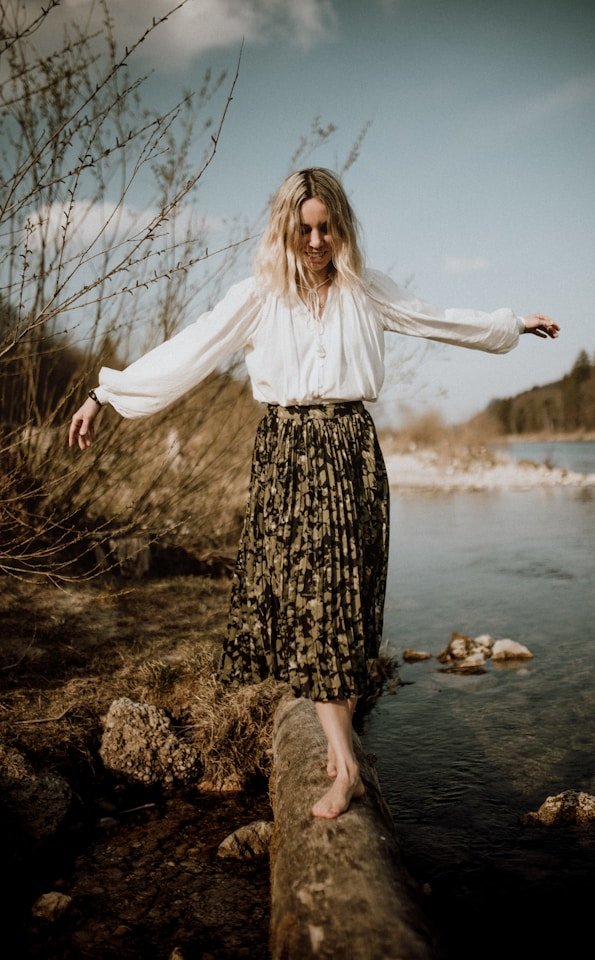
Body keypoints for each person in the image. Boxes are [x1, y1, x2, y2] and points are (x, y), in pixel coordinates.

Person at [69, 167, 559, 820]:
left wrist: (513, 324)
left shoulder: (364, 291)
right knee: (314, 606)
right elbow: (188, 352)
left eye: (328, 228)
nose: (317, 241)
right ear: (285, 229)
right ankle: (348, 764)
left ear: (342, 229)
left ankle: (339, 741)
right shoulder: (258, 297)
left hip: (352, 453)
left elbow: (438, 318)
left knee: (346, 603)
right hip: (288, 458)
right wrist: (107, 393)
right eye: (305, 229)